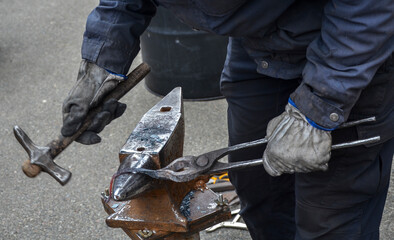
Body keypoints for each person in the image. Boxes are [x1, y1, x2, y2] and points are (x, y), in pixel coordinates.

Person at [61, 1, 394, 239]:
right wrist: (101, 62)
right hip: (257, 45)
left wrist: (322, 103)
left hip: (349, 51)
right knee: (262, 196)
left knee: (330, 219)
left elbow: (368, 8)